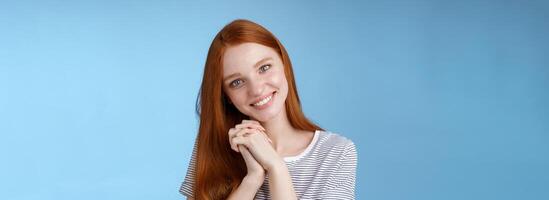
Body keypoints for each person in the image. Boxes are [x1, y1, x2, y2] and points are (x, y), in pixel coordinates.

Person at [179, 19, 357, 200]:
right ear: (226, 96)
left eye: (264, 68)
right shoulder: (213, 146)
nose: (256, 89)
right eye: (237, 82)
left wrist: (276, 167)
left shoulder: (336, 153)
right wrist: (252, 179)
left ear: (284, 64)